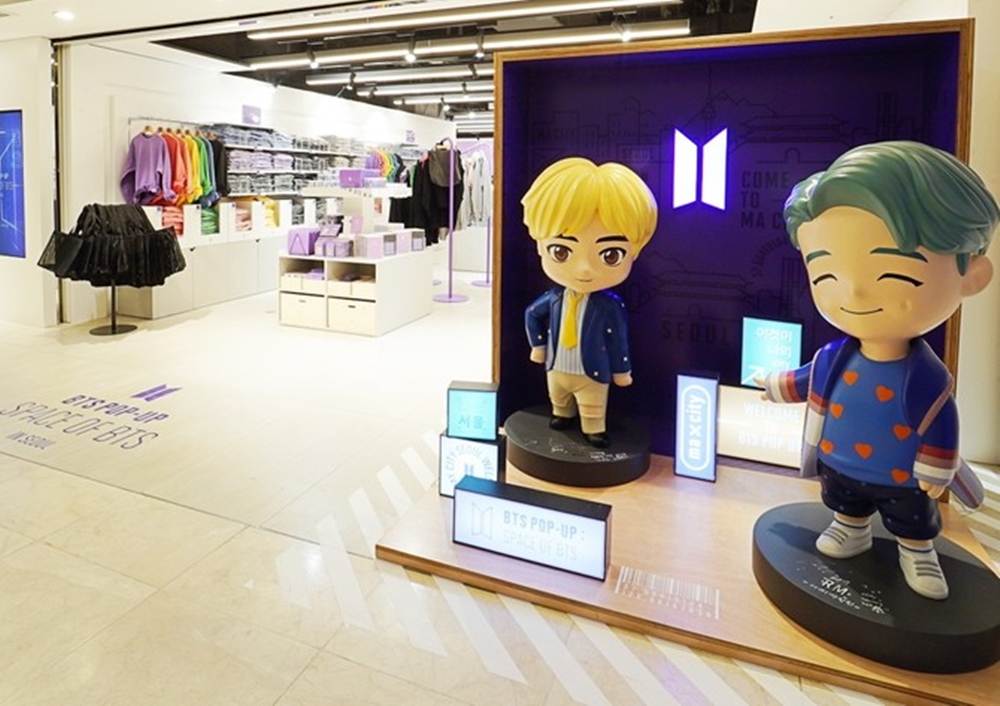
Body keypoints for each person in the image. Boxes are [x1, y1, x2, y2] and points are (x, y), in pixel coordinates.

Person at [761, 141, 999, 600]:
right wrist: (774, 385)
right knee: (844, 502)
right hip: (839, 464)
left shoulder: (924, 377)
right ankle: (850, 527)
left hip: (902, 475)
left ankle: (917, 550)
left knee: (912, 517)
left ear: (973, 275)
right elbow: (808, 379)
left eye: (894, 275)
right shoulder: (835, 356)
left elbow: (940, 421)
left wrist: (936, 465)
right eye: (825, 276)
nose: (853, 292)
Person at [522, 157, 658, 448]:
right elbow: (531, 314)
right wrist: (538, 346)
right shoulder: (554, 299)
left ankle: (593, 427)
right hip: (556, 367)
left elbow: (618, 337)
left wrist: (621, 370)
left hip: (594, 371)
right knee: (558, 397)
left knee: (593, 405)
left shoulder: (608, 306)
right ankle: (561, 412)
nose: (584, 269)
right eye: (561, 251)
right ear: (539, 245)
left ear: (634, 251)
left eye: (610, 255)